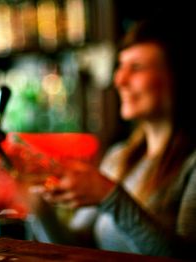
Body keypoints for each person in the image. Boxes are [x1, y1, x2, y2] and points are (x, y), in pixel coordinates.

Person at [28, 10, 196, 260]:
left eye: (136, 67)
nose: (119, 80)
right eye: (120, 66)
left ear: (175, 78)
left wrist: (109, 195)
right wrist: (36, 208)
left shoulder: (191, 164)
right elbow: (76, 246)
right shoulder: (119, 157)